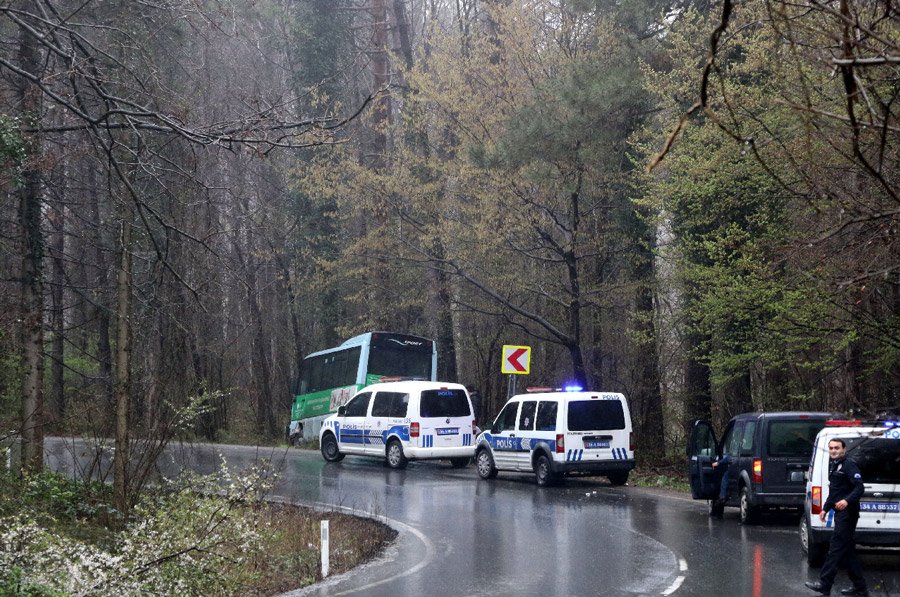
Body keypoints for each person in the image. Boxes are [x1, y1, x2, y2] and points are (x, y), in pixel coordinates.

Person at [805, 438, 868, 596]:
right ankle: (860, 588)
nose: (833, 450)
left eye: (837, 448)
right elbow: (835, 492)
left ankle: (824, 584)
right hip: (840, 514)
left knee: (835, 548)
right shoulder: (835, 466)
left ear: (844, 449)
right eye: (831, 448)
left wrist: (847, 501)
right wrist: (825, 509)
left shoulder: (848, 465)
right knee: (847, 552)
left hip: (848, 513)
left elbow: (859, 488)